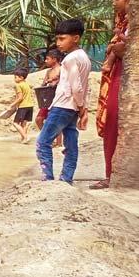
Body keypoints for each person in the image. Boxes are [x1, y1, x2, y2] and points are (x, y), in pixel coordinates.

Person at [36, 18, 91, 183]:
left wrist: (82, 107)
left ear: (75, 38)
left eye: (62, 38)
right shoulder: (84, 58)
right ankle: (66, 179)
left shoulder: (70, 59)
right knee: (71, 144)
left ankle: (48, 179)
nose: (58, 43)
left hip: (62, 106)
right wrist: (82, 108)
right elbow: (84, 86)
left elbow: (76, 87)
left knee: (42, 142)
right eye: (57, 38)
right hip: (72, 108)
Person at [92, 0, 131, 190]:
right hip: (116, 76)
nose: (113, 2)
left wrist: (119, 49)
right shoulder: (123, 24)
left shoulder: (131, 26)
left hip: (124, 80)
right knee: (111, 125)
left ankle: (113, 174)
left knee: (115, 122)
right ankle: (110, 173)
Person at [34, 47, 64, 140]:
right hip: (48, 99)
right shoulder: (48, 71)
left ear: (54, 59)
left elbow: (64, 82)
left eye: (47, 59)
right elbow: (44, 84)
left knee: (56, 121)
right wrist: (45, 83)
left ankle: (59, 142)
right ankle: (48, 138)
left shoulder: (62, 70)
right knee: (39, 119)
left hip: (58, 99)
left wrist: (55, 80)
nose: (45, 61)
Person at [9, 67, 36, 144]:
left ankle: (26, 137)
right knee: (24, 124)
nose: (14, 79)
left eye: (15, 77)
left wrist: (12, 104)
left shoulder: (18, 85)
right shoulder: (26, 84)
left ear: (21, 77)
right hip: (30, 106)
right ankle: (23, 139)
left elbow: (20, 98)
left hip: (23, 106)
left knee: (15, 123)